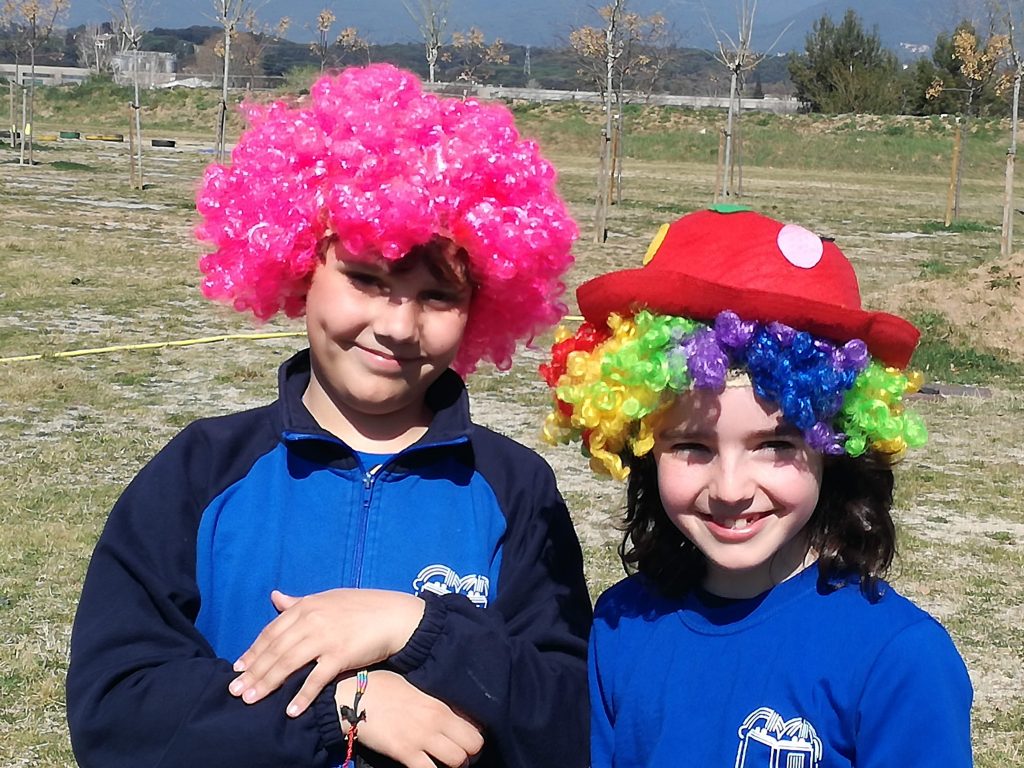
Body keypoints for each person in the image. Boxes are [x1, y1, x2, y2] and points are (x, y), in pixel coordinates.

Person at [66, 64, 592, 768]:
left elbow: (569, 721)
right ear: (299, 267)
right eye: (367, 279)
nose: (397, 326)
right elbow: (115, 711)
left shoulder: (514, 489)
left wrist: (421, 628)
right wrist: (337, 707)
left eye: (438, 295)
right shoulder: (202, 471)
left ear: (484, 304)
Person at [540, 207, 973, 767]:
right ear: (642, 449)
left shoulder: (898, 658)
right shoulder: (622, 625)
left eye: (774, 446)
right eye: (692, 446)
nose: (730, 488)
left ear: (835, 446)